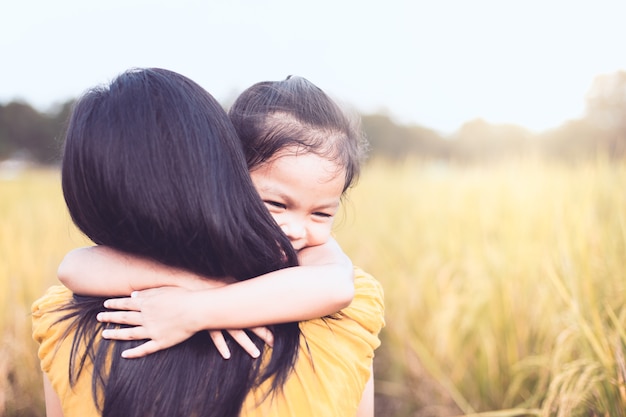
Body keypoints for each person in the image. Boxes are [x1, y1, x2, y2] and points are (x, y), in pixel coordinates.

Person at [51, 75, 385, 416]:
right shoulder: (209, 253)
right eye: (277, 205)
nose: (296, 230)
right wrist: (198, 284)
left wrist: (194, 310)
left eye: (322, 213)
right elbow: (74, 266)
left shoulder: (314, 255)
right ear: (231, 177)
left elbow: (334, 287)